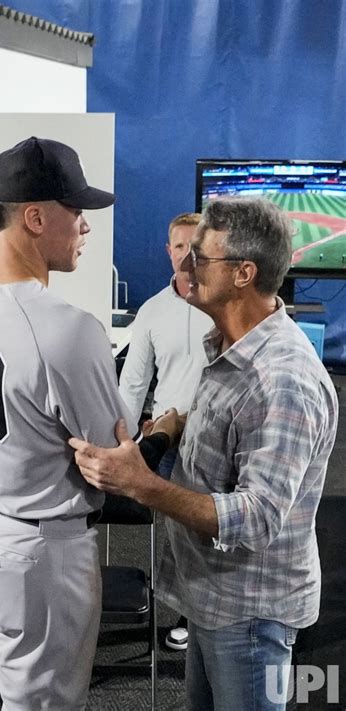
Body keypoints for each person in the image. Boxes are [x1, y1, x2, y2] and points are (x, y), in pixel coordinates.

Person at [0, 136, 175, 710]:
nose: (86, 227)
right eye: (78, 212)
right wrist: (168, 427)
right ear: (35, 216)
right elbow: (116, 466)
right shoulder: (67, 329)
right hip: (35, 553)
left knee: (15, 694)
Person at [69, 197, 339, 711]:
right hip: (215, 602)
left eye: (199, 257)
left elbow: (257, 518)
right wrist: (175, 427)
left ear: (243, 273)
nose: (184, 265)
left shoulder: (281, 379)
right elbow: (238, 430)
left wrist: (141, 484)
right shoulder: (231, 346)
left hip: (250, 612)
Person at [119, 212, 212, 650]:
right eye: (178, 246)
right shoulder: (153, 311)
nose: (186, 254)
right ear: (168, 251)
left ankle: (214, 615)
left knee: (218, 527)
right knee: (180, 532)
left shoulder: (223, 302)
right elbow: (133, 384)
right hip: (171, 439)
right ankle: (187, 613)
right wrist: (121, 442)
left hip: (220, 437)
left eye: (195, 245)